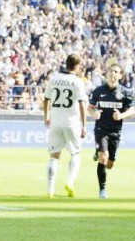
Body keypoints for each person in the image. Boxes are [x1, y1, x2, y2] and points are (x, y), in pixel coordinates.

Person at [43, 54, 88, 199]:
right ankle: (70, 182)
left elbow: (46, 99)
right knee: (75, 154)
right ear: (77, 66)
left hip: (56, 122)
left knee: (54, 156)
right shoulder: (78, 82)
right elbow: (82, 105)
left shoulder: (54, 79)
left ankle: (50, 190)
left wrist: (46, 116)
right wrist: (84, 125)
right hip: (72, 123)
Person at [89, 63, 135, 199]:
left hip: (115, 131)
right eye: (111, 71)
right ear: (107, 74)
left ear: (120, 75)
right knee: (103, 157)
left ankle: (98, 152)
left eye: (116, 71)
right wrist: (93, 114)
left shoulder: (126, 92)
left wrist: (121, 116)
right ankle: (102, 190)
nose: (113, 73)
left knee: (109, 164)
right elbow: (90, 107)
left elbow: (132, 110)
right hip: (101, 129)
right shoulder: (98, 91)